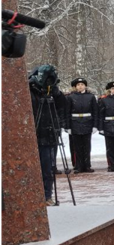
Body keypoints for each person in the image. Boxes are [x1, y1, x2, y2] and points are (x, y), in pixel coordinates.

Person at [29, 65, 67, 206]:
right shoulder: (30, 90)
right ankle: (33, 195)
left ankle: (47, 195)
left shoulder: (53, 92)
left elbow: (63, 106)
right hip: (35, 134)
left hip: (50, 134)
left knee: (48, 168)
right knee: (34, 168)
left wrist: (55, 92)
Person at [65, 77, 98, 173]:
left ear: (85, 86)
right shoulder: (70, 97)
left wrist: (95, 125)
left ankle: (87, 165)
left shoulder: (91, 97)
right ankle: (78, 166)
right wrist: (68, 126)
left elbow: (95, 111)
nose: (80, 86)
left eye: (82, 84)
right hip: (75, 123)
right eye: (78, 85)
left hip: (87, 122)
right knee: (77, 146)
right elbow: (67, 113)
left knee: (87, 146)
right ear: (75, 87)